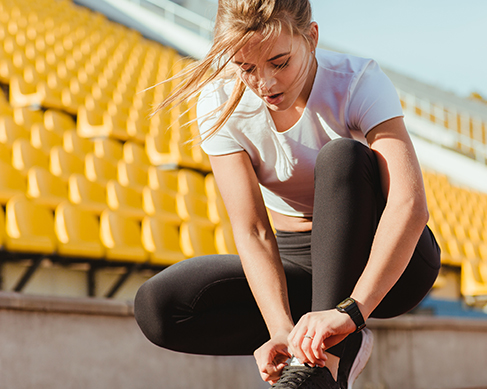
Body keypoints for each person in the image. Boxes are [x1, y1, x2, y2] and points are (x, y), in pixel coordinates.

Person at [133, 0, 441, 388]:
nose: (266, 83)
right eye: (246, 68)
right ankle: (321, 347)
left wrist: (352, 310)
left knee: (341, 156)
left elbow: (410, 206)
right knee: (158, 307)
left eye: (279, 62)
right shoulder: (219, 104)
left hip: (389, 262)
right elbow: (253, 230)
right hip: (300, 262)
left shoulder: (357, 80)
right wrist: (279, 327)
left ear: (311, 37)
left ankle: (323, 361)